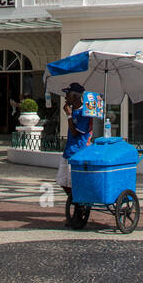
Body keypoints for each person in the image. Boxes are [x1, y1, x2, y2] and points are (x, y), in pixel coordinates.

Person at [55, 82, 93, 211]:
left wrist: (69, 115)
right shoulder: (74, 110)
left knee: (74, 181)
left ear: (76, 96)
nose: (65, 97)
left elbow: (75, 132)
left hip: (78, 151)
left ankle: (80, 204)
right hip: (68, 150)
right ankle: (76, 200)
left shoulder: (85, 113)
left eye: (68, 94)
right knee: (62, 181)